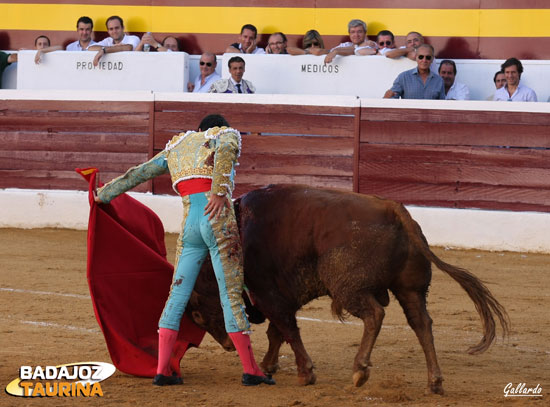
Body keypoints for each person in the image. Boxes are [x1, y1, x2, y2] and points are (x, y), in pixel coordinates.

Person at [94, 114, 275, 387]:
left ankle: (162, 370)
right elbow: (226, 147)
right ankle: (251, 370)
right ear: (216, 128)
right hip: (217, 221)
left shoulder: (175, 147)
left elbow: (139, 172)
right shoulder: (222, 135)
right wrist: (219, 190)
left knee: (176, 296)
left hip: (190, 224)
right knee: (230, 294)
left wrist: (104, 194)